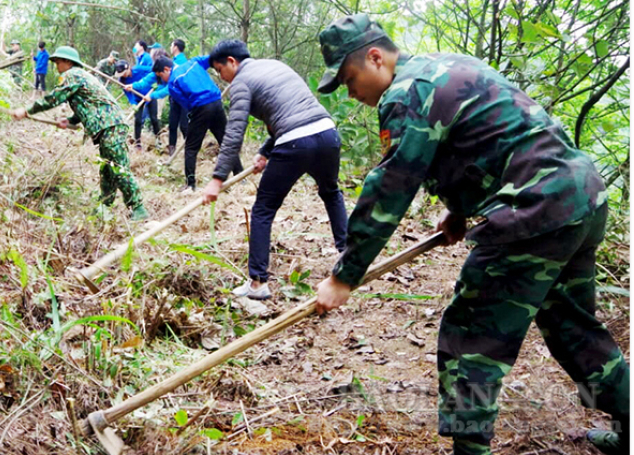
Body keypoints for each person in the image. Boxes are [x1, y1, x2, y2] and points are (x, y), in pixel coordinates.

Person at [313, 13, 629, 455]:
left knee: (471, 338)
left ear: (375, 57)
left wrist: (344, 275)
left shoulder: (405, 93)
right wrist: (459, 212)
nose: (351, 93)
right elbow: (483, 140)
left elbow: (390, 186)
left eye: (348, 79)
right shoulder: (445, 65)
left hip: (531, 213)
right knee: (573, 329)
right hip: (581, 198)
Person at [202, 39, 348, 300]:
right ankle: (350, 261)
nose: (220, 78)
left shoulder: (241, 83)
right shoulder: (275, 66)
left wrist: (217, 178)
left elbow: (234, 132)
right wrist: (265, 152)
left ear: (232, 62)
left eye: (219, 70)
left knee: (263, 209)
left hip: (294, 141)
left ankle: (258, 283)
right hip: (327, 133)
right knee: (331, 192)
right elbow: (289, 111)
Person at [11, 46, 149, 221]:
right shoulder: (81, 76)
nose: (56, 66)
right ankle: (104, 207)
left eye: (58, 62)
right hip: (107, 125)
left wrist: (27, 109)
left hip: (110, 125)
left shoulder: (73, 74)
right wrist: (70, 121)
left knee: (119, 169)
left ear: (68, 62)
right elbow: (87, 105)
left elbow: (54, 97)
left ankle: (138, 208)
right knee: (107, 169)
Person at [153, 55, 244, 193]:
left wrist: (194, 116)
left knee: (191, 148)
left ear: (166, 69)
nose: (162, 80)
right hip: (216, 102)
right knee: (226, 141)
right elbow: (212, 58)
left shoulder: (172, 83)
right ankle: (241, 176)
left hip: (200, 107)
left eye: (160, 76)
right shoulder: (194, 62)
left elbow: (186, 104)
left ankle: (190, 184)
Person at [123, 41, 160, 151]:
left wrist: (155, 82)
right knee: (138, 120)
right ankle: (137, 143)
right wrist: (133, 103)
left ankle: (158, 140)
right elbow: (127, 92)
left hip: (149, 93)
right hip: (138, 96)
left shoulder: (146, 59)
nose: (134, 47)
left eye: (136, 46)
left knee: (154, 118)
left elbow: (153, 70)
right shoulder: (137, 60)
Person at [166, 39, 190, 159]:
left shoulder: (181, 62)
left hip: (182, 98)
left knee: (184, 126)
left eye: (171, 45)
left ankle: (190, 150)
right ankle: (171, 151)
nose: (170, 47)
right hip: (174, 98)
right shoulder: (174, 61)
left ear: (175, 47)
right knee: (172, 124)